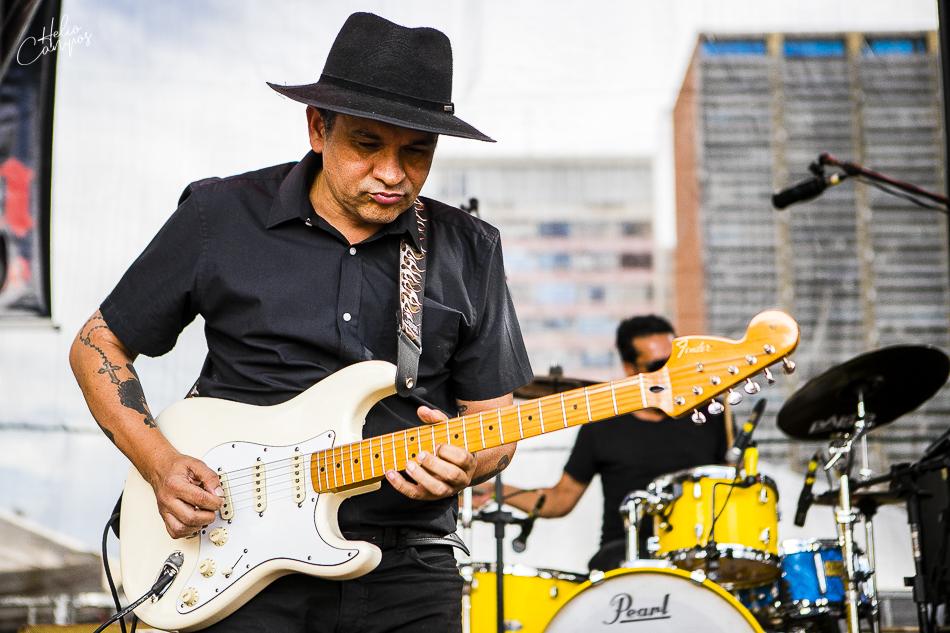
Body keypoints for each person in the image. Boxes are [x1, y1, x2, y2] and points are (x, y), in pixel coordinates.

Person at [69, 13, 532, 633]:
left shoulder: (468, 247)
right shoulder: (220, 215)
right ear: (318, 127)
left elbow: (495, 423)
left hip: (408, 569)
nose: (393, 173)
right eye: (367, 145)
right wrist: (159, 462)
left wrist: (468, 464)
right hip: (233, 555)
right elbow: (97, 343)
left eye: (417, 152)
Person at [487, 315, 729, 572]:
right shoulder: (603, 425)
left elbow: (735, 484)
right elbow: (560, 499)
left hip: (700, 553)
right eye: (658, 365)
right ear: (629, 368)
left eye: (675, 361)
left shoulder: (710, 413)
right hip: (623, 556)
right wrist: (492, 491)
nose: (670, 371)